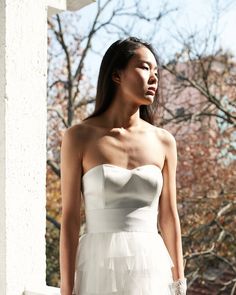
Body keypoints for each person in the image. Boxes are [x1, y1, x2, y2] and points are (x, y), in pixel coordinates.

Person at [59, 36, 187, 295]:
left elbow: (169, 217)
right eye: (144, 67)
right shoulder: (79, 136)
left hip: (151, 268)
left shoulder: (164, 141)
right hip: (97, 266)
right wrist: (66, 288)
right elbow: (71, 218)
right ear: (116, 75)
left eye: (156, 72)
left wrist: (179, 283)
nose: (154, 78)